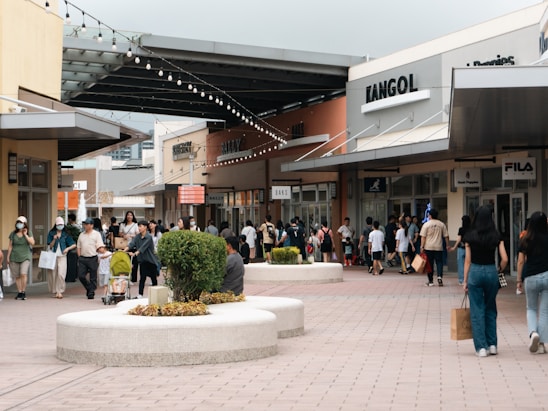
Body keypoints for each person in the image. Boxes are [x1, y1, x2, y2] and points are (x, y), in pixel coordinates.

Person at [463, 205, 508, 357]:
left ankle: (481, 348)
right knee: (490, 308)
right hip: (491, 271)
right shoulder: (496, 235)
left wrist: (465, 280)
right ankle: (493, 344)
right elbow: (505, 259)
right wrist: (499, 270)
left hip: (475, 271)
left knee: (477, 310)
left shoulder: (470, 235)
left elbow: (467, 260)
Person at [516, 211, 548, 354]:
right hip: (547, 275)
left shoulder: (525, 239)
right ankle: (541, 344)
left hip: (530, 277)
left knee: (531, 308)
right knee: (545, 311)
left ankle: (533, 332)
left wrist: (518, 280)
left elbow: (521, 261)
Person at [124, 221, 158, 299]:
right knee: (142, 278)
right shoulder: (137, 237)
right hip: (142, 261)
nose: (139, 228)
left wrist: (135, 253)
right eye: (138, 226)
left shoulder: (149, 237)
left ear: (145, 227)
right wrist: (124, 251)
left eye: (141, 226)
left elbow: (143, 247)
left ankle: (156, 294)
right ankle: (140, 294)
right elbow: (131, 244)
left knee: (153, 279)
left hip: (151, 261)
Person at [46, 217, 76, 299]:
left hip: (62, 256)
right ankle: (56, 291)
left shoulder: (66, 234)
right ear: (56, 225)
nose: (60, 226)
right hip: (53, 256)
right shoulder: (51, 233)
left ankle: (60, 291)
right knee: (53, 274)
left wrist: (67, 249)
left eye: (61, 225)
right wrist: (54, 239)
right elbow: (50, 245)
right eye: (59, 224)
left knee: (61, 274)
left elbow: (73, 244)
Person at [420, 208, 450, 287]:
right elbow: (446, 236)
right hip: (438, 247)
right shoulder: (441, 224)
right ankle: (439, 276)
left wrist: (422, 246)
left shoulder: (426, 224)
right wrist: (447, 245)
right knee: (439, 262)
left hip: (428, 247)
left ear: (430, 215)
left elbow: (423, 237)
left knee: (429, 264)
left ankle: (430, 281)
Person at [7, 216, 35, 300]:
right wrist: (8, 257)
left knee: (23, 273)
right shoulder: (13, 233)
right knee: (17, 276)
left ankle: (23, 291)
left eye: (21, 223)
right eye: (18, 222)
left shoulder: (29, 232)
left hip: (25, 256)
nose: (19, 224)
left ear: (24, 224)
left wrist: (25, 235)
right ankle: (19, 292)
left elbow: (32, 242)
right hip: (14, 256)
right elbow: (10, 246)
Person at [77, 217, 105, 299]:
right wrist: (79, 256)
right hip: (83, 258)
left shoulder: (96, 234)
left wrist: (101, 251)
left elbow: (100, 245)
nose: (85, 226)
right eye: (84, 224)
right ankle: (89, 288)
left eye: (87, 224)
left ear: (91, 225)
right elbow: (78, 246)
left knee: (93, 277)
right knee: (81, 276)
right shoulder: (81, 235)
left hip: (93, 258)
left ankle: (91, 292)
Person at [449, 215, 471, 285]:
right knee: (470, 264)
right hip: (470, 248)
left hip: (461, 248)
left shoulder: (461, 229)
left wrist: (454, 247)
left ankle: (462, 280)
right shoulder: (472, 229)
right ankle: (469, 279)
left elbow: (459, 239)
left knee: (461, 264)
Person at [119, 211, 139, 282]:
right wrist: (123, 235)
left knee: (134, 263)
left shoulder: (135, 225)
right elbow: (120, 233)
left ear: (133, 216)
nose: (129, 216)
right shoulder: (122, 224)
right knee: (125, 262)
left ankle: (133, 279)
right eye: (128, 215)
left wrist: (130, 235)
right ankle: (126, 277)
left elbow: (137, 234)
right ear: (126, 216)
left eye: (131, 215)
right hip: (124, 245)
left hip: (133, 245)